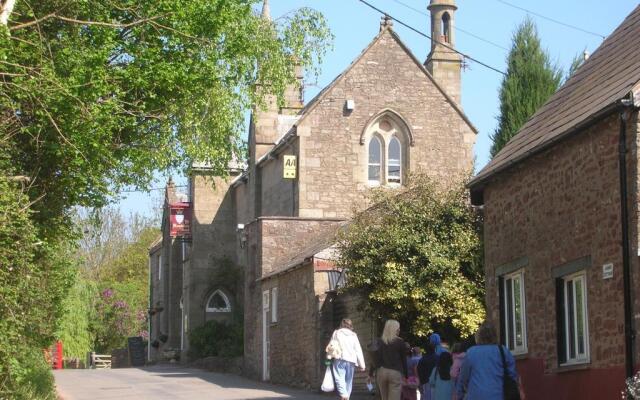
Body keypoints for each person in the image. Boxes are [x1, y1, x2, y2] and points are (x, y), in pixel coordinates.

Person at [456, 321, 523, 400]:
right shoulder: (503, 351)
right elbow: (513, 375)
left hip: (476, 395)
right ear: (494, 335)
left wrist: (460, 394)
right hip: (499, 396)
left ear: (479, 336)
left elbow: (463, 377)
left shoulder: (471, 352)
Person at [368, 319, 409, 400]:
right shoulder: (400, 342)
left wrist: (370, 374)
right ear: (395, 329)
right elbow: (403, 360)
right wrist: (406, 376)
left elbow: (374, 359)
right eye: (398, 328)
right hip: (395, 372)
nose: (399, 330)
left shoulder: (378, 341)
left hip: (381, 372)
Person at [327, 318, 366, 400]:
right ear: (350, 325)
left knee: (339, 378)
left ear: (341, 324)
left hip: (339, 358)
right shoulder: (353, 335)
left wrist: (328, 357)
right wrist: (362, 364)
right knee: (349, 380)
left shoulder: (337, 333)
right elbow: (358, 349)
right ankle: (347, 396)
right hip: (351, 360)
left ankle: (344, 395)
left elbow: (331, 346)